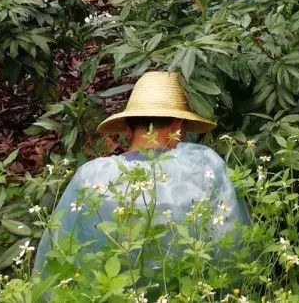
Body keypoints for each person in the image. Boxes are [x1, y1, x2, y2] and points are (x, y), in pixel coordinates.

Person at [34, 71, 250, 275]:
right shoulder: (203, 166)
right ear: (179, 125)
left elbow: (59, 252)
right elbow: (230, 243)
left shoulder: (90, 176)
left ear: (127, 128)